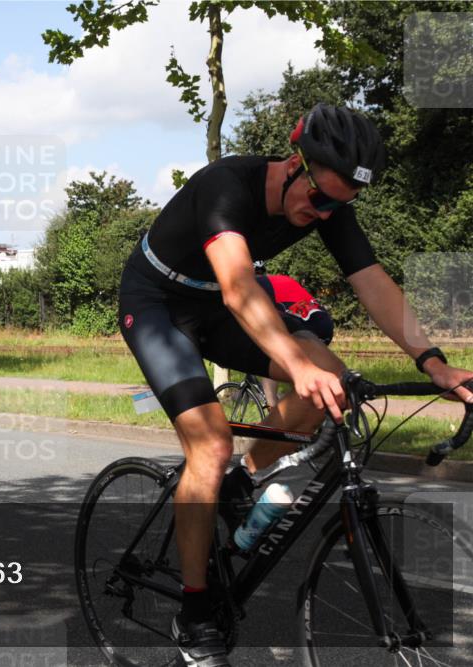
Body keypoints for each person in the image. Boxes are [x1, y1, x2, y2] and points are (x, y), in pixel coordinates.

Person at [117, 103, 473, 667]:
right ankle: (194, 608)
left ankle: (243, 479)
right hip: (158, 304)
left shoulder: (326, 205)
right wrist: (292, 361)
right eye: (319, 197)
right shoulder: (226, 186)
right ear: (293, 164)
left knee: (330, 378)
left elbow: (373, 282)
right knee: (209, 442)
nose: (324, 211)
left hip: (215, 309)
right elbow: (238, 285)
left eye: (339, 204)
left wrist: (433, 361)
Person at [253, 261, 335, 408]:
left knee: (270, 357)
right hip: (324, 323)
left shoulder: (257, 285)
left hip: (305, 325)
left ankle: (273, 413)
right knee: (300, 375)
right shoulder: (280, 279)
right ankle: (312, 414)